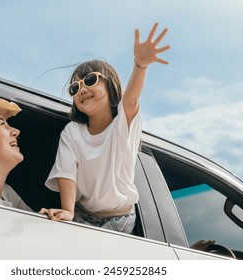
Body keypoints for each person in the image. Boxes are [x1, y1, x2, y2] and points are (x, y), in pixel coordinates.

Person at [41, 22, 170, 233]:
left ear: (110, 84)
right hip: (82, 214)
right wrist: (68, 211)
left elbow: (130, 101)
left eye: (90, 80)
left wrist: (140, 65)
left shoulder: (122, 125)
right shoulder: (72, 132)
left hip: (119, 219)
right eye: (75, 87)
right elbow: (66, 172)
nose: (81, 89)